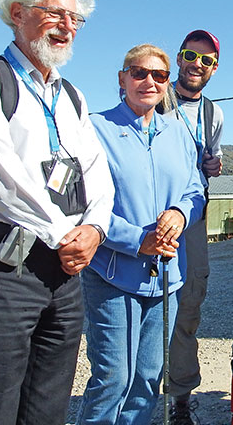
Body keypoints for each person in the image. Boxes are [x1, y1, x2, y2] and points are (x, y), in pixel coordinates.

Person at [0, 0, 114, 425]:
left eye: (75, 19)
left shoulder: (72, 96)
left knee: (48, 401)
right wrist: (66, 234)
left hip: (64, 267)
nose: (67, 26)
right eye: (55, 13)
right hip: (3, 262)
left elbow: (98, 173)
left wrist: (94, 229)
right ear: (18, 14)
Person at [77, 44, 205, 425]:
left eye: (159, 75)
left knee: (148, 380)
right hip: (113, 273)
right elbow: (83, 203)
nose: (149, 81)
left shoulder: (178, 132)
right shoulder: (95, 129)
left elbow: (195, 189)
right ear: (122, 79)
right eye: (138, 73)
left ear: (167, 84)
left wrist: (181, 215)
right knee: (112, 379)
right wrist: (137, 240)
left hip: (166, 275)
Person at [158, 30, 224, 424]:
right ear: (177, 58)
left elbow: (207, 164)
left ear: (215, 69)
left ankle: (180, 398)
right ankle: (136, 395)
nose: (197, 65)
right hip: (151, 216)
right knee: (146, 307)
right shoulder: (153, 94)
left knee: (188, 306)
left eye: (207, 60)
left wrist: (210, 168)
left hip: (193, 220)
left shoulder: (214, 114)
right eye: (190, 55)